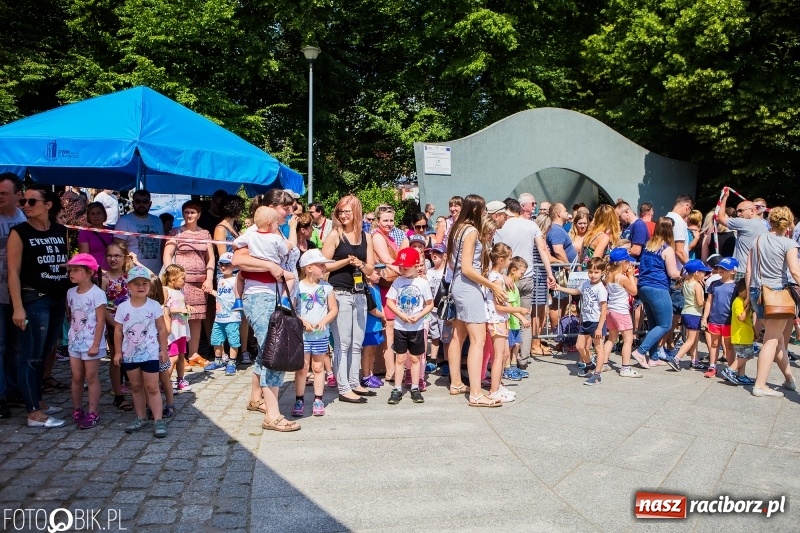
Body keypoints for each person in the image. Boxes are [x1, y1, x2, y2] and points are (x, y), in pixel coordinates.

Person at [233, 189, 300, 430]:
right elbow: (236, 259)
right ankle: (272, 415)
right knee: (276, 351)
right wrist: (270, 266)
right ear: (271, 208)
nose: (290, 211)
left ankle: (256, 398)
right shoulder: (255, 231)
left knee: (266, 348)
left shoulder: (276, 230)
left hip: (278, 295)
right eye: (286, 207)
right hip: (261, 295)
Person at [8, 186, 70, 428]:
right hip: (34, 298)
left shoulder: (60, 231)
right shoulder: (19, 232)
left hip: (56, 298)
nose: (25, 205)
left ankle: (39, 400)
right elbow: (13, 272)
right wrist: (17, 307)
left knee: (44, 353)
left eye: (32, 201)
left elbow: (63, 266)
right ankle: (33, 412)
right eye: (23, 200)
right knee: (30, 355)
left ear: (48, 205)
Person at [445, 195, 507, 407]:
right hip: (468, 286)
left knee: (458, 335)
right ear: (476, 210)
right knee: (478, 340)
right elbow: (468, 268)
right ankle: (476, 393)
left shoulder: (457, 227)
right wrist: (492, 285)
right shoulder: (470, 231)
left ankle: (456, 383)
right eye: (483, 210)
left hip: (457, 285)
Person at [321, 195, 376, 404]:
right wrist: (345, 260)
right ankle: (343, 387)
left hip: (360, 293)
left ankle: (354, 382)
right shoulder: (335, 234)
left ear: (356, 213)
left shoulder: (366, 236)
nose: (343, 215)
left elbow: (370, 268)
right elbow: (324, 264)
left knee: (356, 342)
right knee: (342, 342)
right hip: (340, 293)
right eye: (340, 211)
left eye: (347, 211)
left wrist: (360, 264)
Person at [746, 206, 800, 397]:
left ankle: (789, 379)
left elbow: (749, 271)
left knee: (776, 340)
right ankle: (760, 385)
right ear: (789, 223)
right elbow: (794, 271)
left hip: (757, 292)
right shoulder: (789, 244)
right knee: (771, 340)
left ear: (770, 220)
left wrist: (748, 298)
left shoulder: (758, 240)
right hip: (777, 295)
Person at [495, 198, 556, 362]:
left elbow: (494, 253)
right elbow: (542, 249)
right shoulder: (531, 225)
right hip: (527, 275)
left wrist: (501, 275)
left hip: (507, 277)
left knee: (507, 317)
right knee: (525, 318)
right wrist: (549, 272)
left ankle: (509, 359)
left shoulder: (501, 226)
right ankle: (523, 357)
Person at [113, 265, 169, 438]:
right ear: (128, 286)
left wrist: (164, 350)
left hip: (150, 353)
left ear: (149, 286)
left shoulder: (154, 306)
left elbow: (162, 329)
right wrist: (117, 352)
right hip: (130, 354)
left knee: (152, 387)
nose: (141, 286)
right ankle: (141, 416)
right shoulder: (123, 307)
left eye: (145, 283)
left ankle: (158, 420)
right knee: (136, 387)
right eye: (136, 283)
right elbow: (118, 331)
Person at [163, 200, 215, 368]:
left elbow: (211, 258)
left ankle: (193, 353)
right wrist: (172, 277)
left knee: (196, 318)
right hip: (180, 283)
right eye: (186, 212)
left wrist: (209, 278)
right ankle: (179, 355)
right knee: (180, 317)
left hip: (200, 283)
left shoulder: (206, 233)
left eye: (193, 212)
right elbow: (167, 255)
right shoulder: (175, 232)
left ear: (199, 214)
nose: (189, 215)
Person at [632, 218, 682, 370]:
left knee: (654, 323)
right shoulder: (667, 249)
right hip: (658, 288)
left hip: (643, 287)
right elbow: (673, 273)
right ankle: (641, 351)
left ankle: (653, 357)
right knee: (665, 324)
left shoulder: (648, 245)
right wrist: (685, 274)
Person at [385, 247, 433, 405]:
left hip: (416, 327)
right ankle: (397, 388)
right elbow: (390, 301)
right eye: (400, 267)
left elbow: (429, 304)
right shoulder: (398, 282)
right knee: (400, 358)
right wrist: (401, 315)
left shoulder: (422, 283)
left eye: (405, 267)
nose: (402, 270)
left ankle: (414, 387)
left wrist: (418, 316)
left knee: (415, 358)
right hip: (400, 326)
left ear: (416, 265)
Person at [292, 249, 337, 417]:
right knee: (302, 368)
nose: (324, 268)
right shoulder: (298, 287)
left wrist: (323, 322)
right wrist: (303, 322)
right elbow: (292, 309)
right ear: (309, 268)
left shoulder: (326, 288)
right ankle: (299, 398)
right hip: (302, 335)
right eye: (321, 265)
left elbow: (333, 309)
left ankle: (318, 398)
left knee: (318, 367)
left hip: (320, 334)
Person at [65, 253, 107, 429]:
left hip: (91, 342)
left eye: (76, 270)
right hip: (75, 341)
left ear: (89, 272)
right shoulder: (70, 292)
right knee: (76, 376)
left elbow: (101, 320)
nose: (71, 274)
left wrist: (96, 344)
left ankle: (93, 411)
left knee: (91, 377)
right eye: (70, 270)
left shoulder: (97, 294)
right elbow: (70, 315)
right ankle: (77, 408)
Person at [485, 243, 529, 402]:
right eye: (510, 258)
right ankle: (494, 390)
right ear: (501, 260)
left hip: (500, 320)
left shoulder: (496, 277)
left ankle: (498, 385)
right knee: (498, 356)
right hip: (496, 320)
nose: (511, 261)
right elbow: (498, 306)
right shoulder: (497, 279)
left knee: (503, 354)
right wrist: (519, 311)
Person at [556, 257, 609, 386]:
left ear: (602, 272)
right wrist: (560, 288)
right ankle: (590, 364)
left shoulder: (601, 289)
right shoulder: (586, 284)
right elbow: (576, 291)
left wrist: (599, 327)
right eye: (590, 272)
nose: (592, 275)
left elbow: (604, 309)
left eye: (596, 272)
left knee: (598, 348)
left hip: (596, 322)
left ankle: (597, 375)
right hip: (585, 321)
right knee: (580, 346)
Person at [371, 205, 409, 383]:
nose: (389, 223)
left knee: (387, 326)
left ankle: (380, 366)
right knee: (389, 328)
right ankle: (390, 371)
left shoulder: (388, 236)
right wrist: (405, 271)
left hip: (388, 283)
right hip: (385, 284)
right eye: (385, 220)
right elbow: (386, 260)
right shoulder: (378, 236)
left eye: (391, 220)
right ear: (378, 221)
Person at [0, 173, 26, 419]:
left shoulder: (23, 217)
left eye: (4, 193)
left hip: (18, 293)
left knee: (17, 346)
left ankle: (15, 389)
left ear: (17, 196)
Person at [101, 242, 133, 410]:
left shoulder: (130, 277)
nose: (113, 259)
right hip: (114, 324)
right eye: (110, 255)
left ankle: (135, 388)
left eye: (117, 255)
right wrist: (115, 325)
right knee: (116, 358)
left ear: (125, 258)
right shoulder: (105, 279)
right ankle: (118, 394)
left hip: (132, 324)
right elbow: (102, 306)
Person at [603, 248, 641, 377]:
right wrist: (631, 275)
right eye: (628, 263)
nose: (629, 265)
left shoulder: (608, 275)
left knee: (611, 338)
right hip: (621, 311)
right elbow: (634, 292)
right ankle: (625, 368)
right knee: (628, 339)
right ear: (623, 263)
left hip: (610, 310)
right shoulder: (622, 278)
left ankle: (603, 363)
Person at [717, 190, 769, 278]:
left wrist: (724, 198)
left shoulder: (744, 223)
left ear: (752, 211)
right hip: (756, 271)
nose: (738, 214)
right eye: (737, 211)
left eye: (741, 211)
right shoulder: (763, 226)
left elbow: (719, 218)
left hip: (742, 271)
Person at [701, 257, 737, 378]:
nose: (721, 270)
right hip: (714, 320)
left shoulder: (735, 287)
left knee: (729, 346)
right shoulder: (714, 284)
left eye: (725, 269)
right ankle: (712, 366)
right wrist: (705, 317)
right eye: (720, 267)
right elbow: (709, 302)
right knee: (714, 344)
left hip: (729, 321)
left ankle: (731, 368)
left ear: (733, 271)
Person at [206, 253, 241, 375]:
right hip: (219, 317)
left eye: (227, 264)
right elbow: (221, 296)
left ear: (234, 266)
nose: (223, 267)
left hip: (232, 316)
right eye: (221, 264)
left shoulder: (236, 279)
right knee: (216, 340)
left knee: (233, 341)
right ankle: (218, 361)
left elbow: (239, 296)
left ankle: (232, 362)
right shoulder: (220, 279)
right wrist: (211, 291)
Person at [672, 259, 711, 369]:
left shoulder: (686, 283)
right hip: (694, 314)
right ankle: (676, 358)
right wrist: (707, 302)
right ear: (697, 273)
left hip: (686, 313)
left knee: (694, 338)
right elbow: (699, 303)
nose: (705, 274)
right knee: (691, 340)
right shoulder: (697, 285)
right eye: (703, 272)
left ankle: (695, 360)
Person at [114, 189, 164, 275]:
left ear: (150, 203)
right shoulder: (124, 221)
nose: (141, 204)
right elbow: (118, 246)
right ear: (133, 203)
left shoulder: (157, 221)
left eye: (145, 201)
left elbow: (162, 245)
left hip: (155, 272)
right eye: (138, 201)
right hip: (133, 271)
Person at [719, 279, 756, 385]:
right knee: (746, 356)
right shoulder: (738, 301)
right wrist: (748, 307)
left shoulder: (741, 301)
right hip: (741, 335)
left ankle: (741, 375)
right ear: (745, 291)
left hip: (745, 335)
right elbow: (741, 317)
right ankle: (730, 370)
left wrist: (754, 331)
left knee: (742, 356)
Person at [161, 264, 192, 390]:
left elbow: (182, 303)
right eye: (182, 279)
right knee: (172, 357)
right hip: (172, 329)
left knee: (181, 356)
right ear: (173, 279)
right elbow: (163, 308)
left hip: (182, 328)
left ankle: (180, 380)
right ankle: (165, 383)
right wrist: (180, 309)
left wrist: (187, 307)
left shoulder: (180, 291)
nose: (184, 281)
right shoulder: (165, 290)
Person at [504, 256, 531, 376]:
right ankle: (507, 368)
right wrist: (522, 317)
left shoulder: (514, 284)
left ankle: (514, 366)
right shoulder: (508, 286)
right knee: (509, 346)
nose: (523, 276)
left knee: (516, 344)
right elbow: (509, 305)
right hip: (509, 322)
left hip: (514, 322)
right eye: (522, 273)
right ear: (513, 270)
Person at [361, 269, 386, 388]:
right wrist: (383, 316)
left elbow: (380, 305)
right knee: (367, 351)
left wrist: (382, 316)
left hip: (376, 325)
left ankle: (370, 374)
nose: (379, 275)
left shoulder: (376, 288)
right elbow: (371, 308)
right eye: (376, 272)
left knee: (373, 351)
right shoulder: (366, 289)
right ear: (367, 274)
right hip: (369, 326)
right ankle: (365, 376)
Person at [425, 244, 446, 370]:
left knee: (446, 337)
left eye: (438, 253)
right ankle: (433, 360)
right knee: (434, 336)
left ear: (444, 256)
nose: (435, 255)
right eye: (433, 253)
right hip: (431, 308)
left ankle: (447, 362)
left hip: (442, 309)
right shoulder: (429, 271)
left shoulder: (446, 272)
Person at [78, 202, 114, 270]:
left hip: (112, 270)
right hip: (94, 271)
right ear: (89, 217)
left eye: (99, 213)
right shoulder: (84, 232)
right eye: (93, 213)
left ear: (104, 215)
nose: (96, 216)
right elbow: (85, 257)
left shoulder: (112, 231)